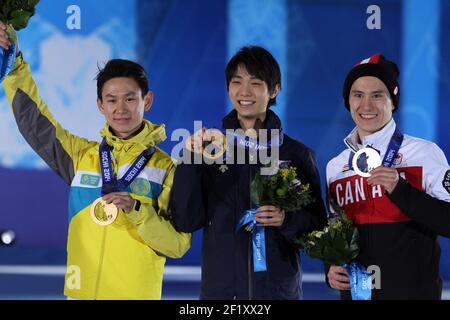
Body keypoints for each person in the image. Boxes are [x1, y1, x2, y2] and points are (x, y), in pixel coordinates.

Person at [0, 24, 191, 300]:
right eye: (111, 99)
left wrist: (137, 210)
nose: (120, 108)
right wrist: (13, 60)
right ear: (100, 104)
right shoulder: (81, 156)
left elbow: (177, 246)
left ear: (147, 101)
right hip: (80, 295)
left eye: (130, 98)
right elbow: (34, 122)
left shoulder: (167, 169)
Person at [170, 46, 327, 299]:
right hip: (221, 293)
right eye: (236, 82)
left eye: (255, 82)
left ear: (274, 89)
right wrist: (190, 160)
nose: (244, 92)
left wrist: (286, 220)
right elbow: (186, 220)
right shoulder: (210, 150)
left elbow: (318, 231)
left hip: (278, 293)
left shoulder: (296, 154)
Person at [326, 53, 450, 300]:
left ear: (393, 101)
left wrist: (399, 189)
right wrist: (330, 268)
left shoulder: (424, 154)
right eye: (358, 95)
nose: (366, 105)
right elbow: (335, 232)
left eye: (377, 95)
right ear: (348, 101)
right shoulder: (336, 167)